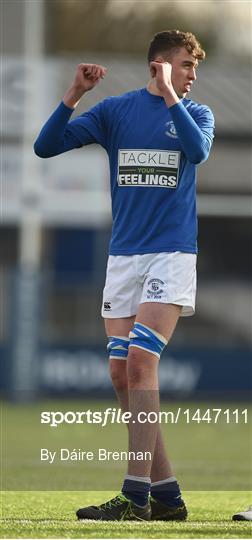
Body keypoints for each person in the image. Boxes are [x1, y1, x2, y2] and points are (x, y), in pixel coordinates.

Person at [34, 30, 215, 521]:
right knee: (121, 372)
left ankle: (134, 495)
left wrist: (173, 95)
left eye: (194, 69)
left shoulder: (196, 113)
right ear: (158, 64)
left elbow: (197, 153)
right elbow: (45, 147)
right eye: (184, 66)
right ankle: (168, 496)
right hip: (124, 258)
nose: (192, 76)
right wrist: (75, 95)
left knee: (140, 361)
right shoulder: (117, 112)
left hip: (171, 254)